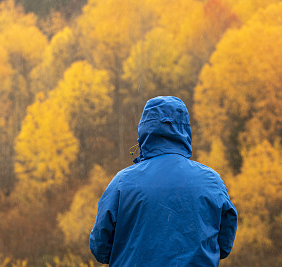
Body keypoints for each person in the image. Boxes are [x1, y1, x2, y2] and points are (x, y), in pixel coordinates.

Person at [90, 96, 238, 266]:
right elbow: (224, 246)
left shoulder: (123, 182)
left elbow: (100, 247)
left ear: (145, 130)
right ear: (185, 131)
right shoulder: (212, 181)